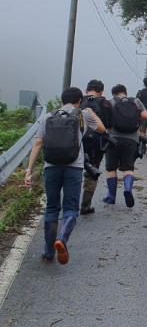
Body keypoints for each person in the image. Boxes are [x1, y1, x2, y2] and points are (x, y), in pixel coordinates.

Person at [24, 86, 105, 264]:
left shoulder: (48, 117)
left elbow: (38, 143)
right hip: (73, 167)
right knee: (70, 208)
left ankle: (48, 253)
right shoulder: (83, 115)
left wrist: (29, 170)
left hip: (51, 166)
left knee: (52, 208)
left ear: (61, 100)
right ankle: (62, 239)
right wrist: (90, 111)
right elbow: (101, 128)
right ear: (79, 101)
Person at [104, 84, 147, 208]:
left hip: (113, 139)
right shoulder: (136, 101)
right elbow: (146, 116)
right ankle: (127, 188)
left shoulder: (111, 102)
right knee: (128, 168)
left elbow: (105, 119)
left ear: (113, 94)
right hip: (132, 139)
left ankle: (111, 196)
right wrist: (135, 119)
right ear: (126, 93)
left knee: (111, 168)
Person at [79, 79, 115, 215]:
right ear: (101, 92)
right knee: (92, 172)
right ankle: (85, 205)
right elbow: (111, 125)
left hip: (76, 142)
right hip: (96, 143)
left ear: (86, 90)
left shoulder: (78, 100)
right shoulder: (105, 103)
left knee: (74, 170)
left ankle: (69, 204)